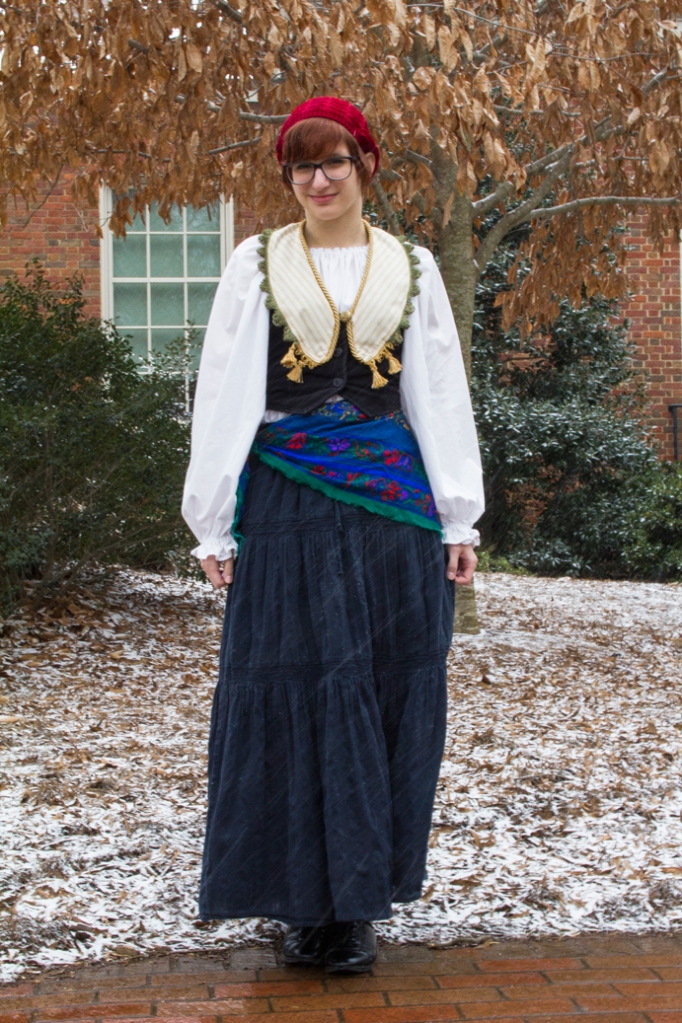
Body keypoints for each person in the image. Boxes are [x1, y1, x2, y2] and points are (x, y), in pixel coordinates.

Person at [182, 97, 484, 973]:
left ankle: (354, 908)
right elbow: (228, 385)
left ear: (365, 166)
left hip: (393, 511)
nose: (318, 180)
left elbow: (437, 388)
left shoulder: (415, 266)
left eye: (334, 162)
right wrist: (212, 518)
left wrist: (458, 513)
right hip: (287, 506)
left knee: (380, 692)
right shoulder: (256, 264)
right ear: (289, 178)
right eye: (301, 166)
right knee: (292, 691)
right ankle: (297, 901)